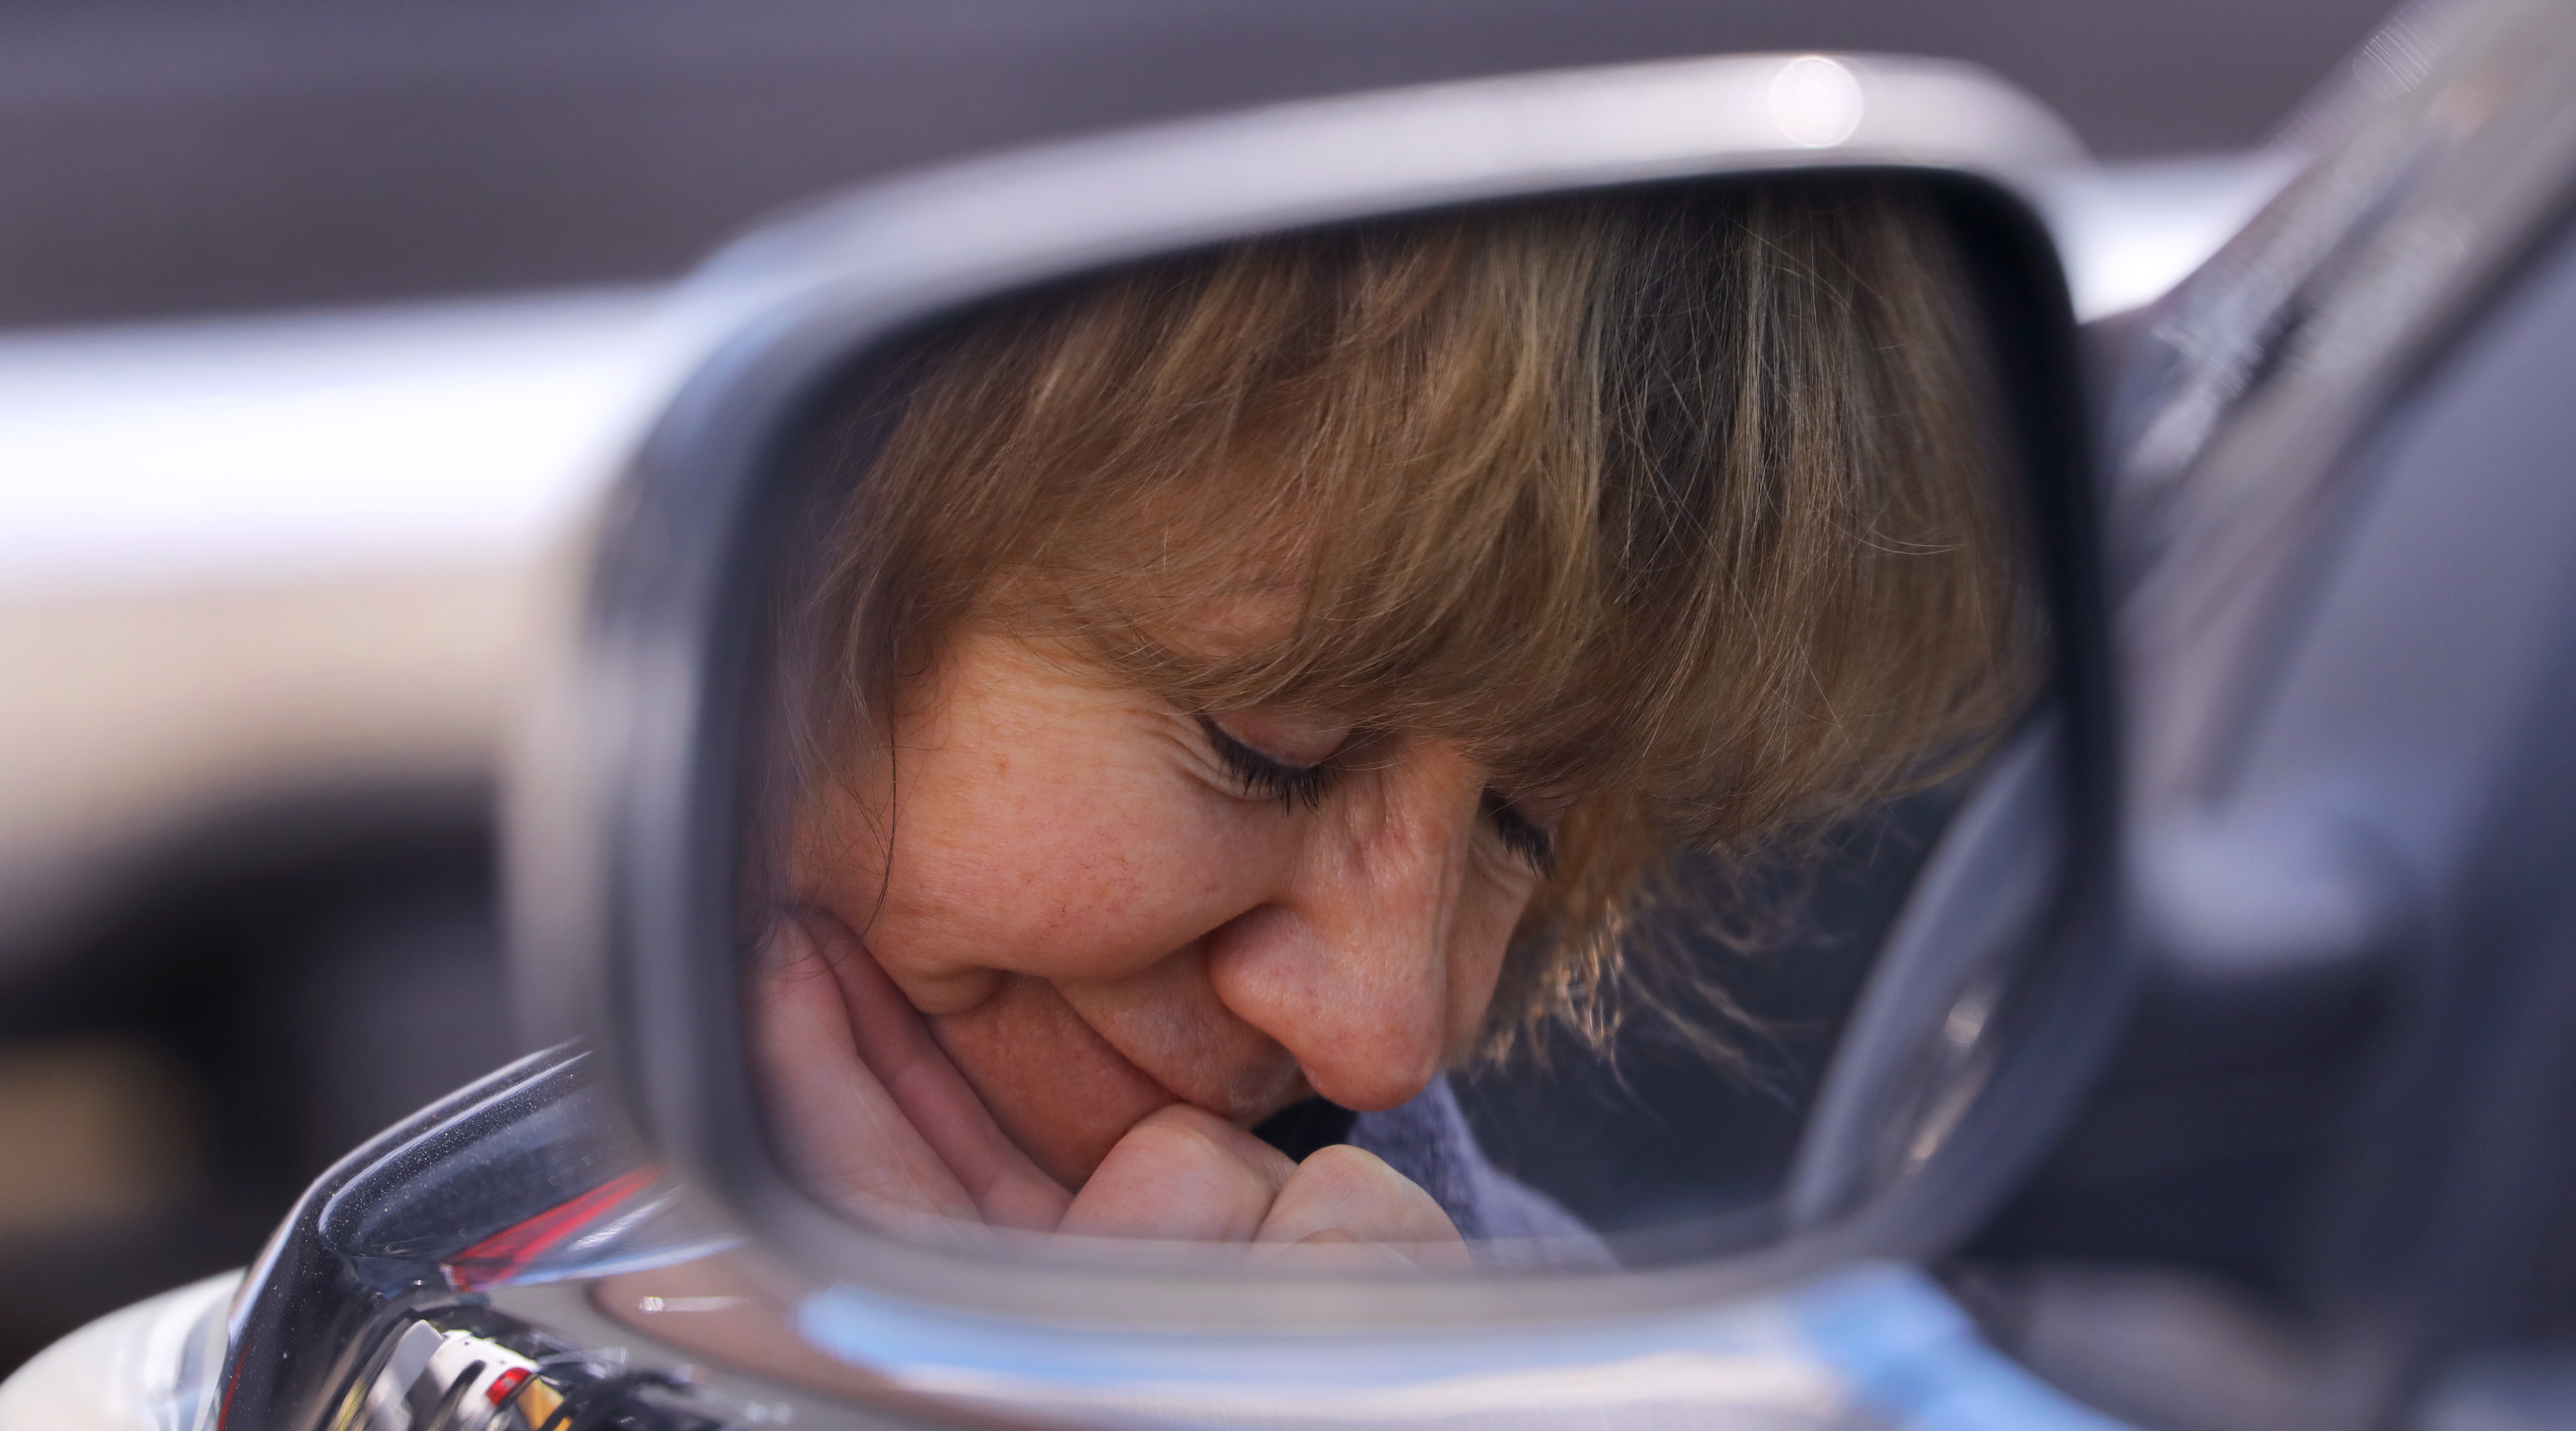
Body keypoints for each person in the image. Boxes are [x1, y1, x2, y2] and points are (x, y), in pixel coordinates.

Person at [749, 182, 2025, 1262]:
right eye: (1263, 747)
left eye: (1525, 825)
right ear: (790, 576)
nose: (1383, 1042)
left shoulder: (1535, 1374)